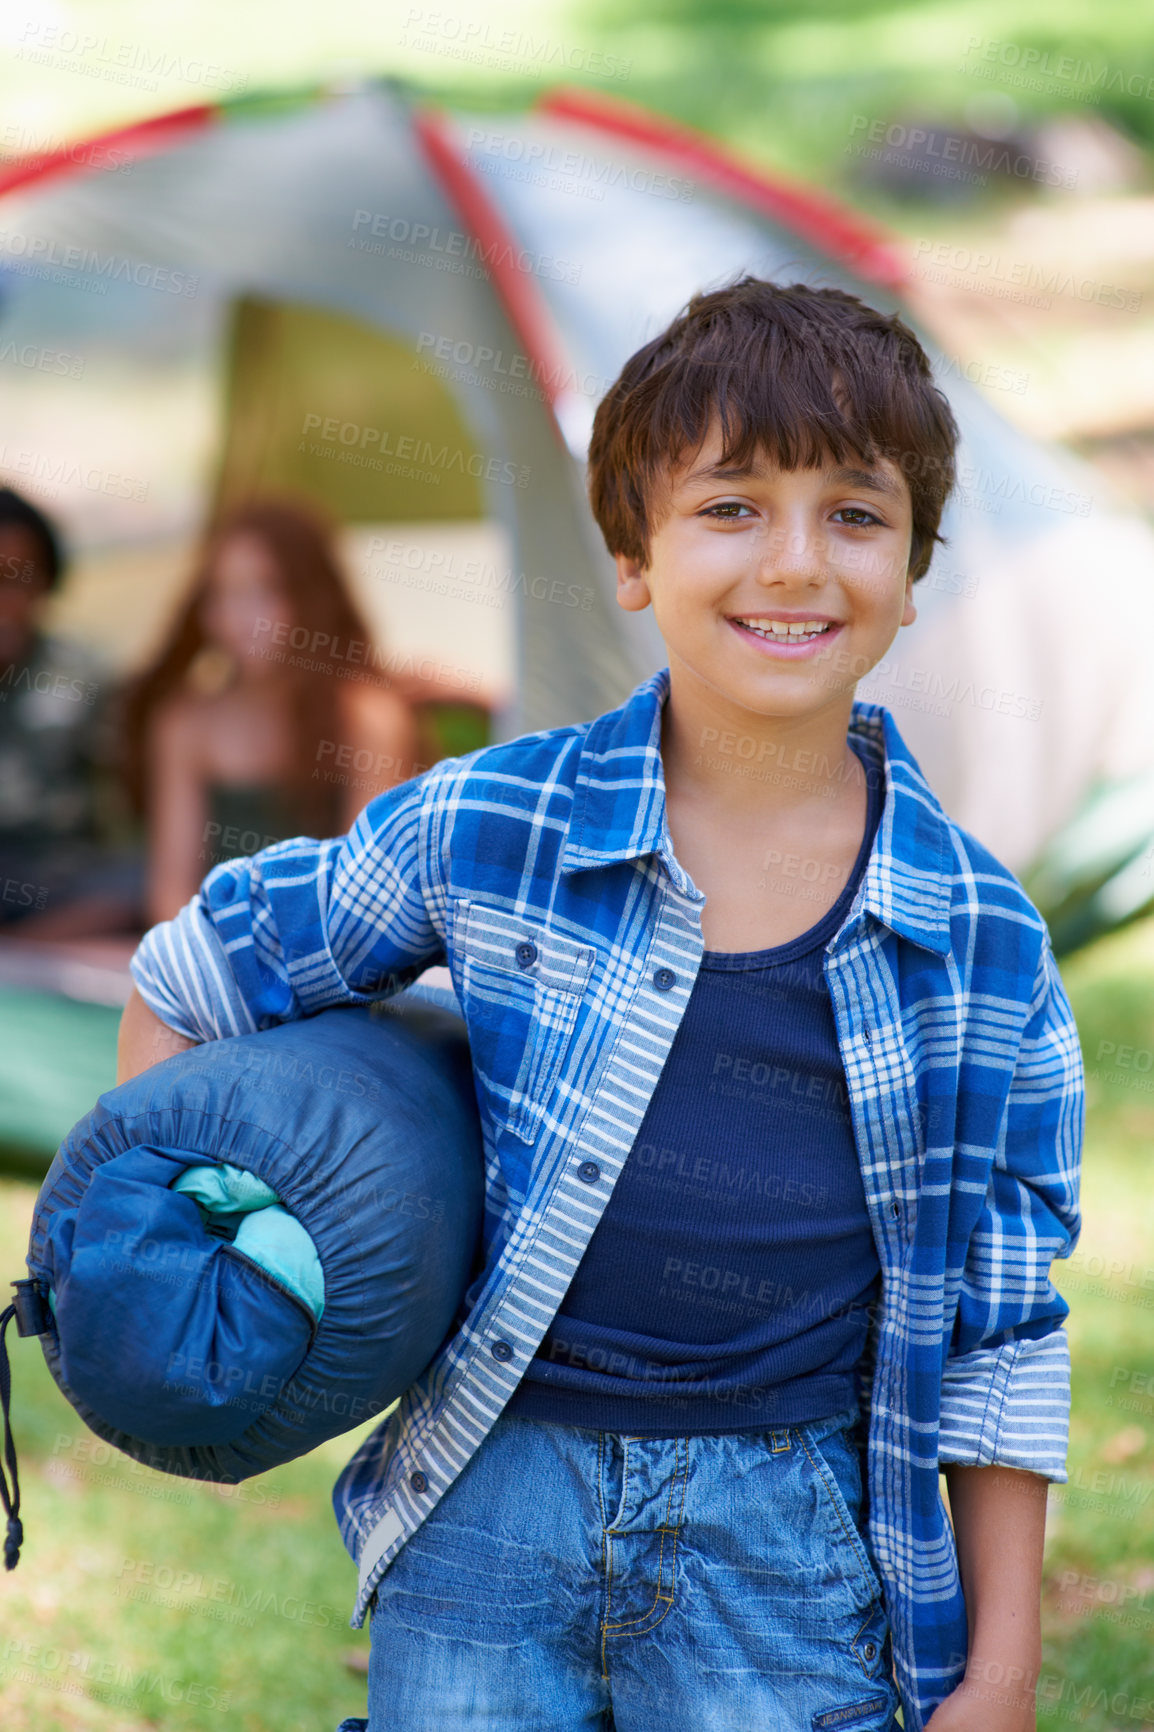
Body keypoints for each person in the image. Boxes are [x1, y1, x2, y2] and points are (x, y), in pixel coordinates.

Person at [117, 279, 1083, 1732]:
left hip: (791, 1541)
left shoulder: (977, 939)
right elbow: (195, 978)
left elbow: (1002, 1331)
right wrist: (192, 1266)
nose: (797, 563)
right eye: (731, 508)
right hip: (488, 1499)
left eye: (855, 515)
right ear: (633, 555)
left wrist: (997, 1676)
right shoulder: (491, 827)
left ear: (914, 558)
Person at [121, 498, 420, 925]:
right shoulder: (186, 723)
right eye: (222, 595)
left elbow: (366, 893)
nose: (240, 618)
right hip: (219, 958)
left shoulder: (368, 718)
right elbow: (171, 893)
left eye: (264, 591)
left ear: (312, 596)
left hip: (338, 961)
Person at [0, 485, 137, 938]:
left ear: (46, 585)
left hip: (58, 882)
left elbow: (133, 801)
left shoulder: (87, 676)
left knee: (146, 879)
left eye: (16, 578)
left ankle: (24, 950)